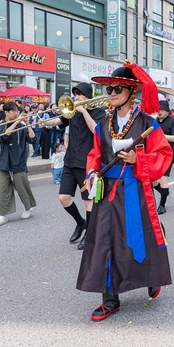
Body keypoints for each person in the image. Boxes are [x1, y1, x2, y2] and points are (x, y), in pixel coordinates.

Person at [78, 62, 172, 321]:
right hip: (106, 191)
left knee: (137, 240)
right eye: (109, 89)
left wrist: (137, 160)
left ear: (132, 93)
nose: (111, 94)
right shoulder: (102, 124)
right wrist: (91, 173)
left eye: (116, 89)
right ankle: (109, 299)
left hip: (134, 189)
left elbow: (164, 155)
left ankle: (153, 277)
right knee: (104, 240)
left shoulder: (148, 124)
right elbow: (94, 155)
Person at [39, 82, 107, 248]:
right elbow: (59, 120)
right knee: (63, 198)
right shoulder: (72, 112)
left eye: (80, 94)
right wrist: (44, 122)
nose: (76, 97)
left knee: (88, 202)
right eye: (75, 94)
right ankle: (81, 222)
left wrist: (84, 112)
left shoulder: (99, 112)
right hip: (70, 161)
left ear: (87, 96)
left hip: (87, 163)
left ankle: (89, 234)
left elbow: (96, 130)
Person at [0, 101, 37, 226]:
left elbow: (32, 139)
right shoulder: (0, 125)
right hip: (5, 161)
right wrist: (17, 122)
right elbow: (4, 136)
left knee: (21, 185)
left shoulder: (21, 126)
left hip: (19, 160)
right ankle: (2, 215)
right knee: (3, 188)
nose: (17, 114)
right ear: (6, 112)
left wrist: (27, 124)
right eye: (15, 111)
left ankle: (28, 207)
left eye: (18, 111)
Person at [153, 100, 174, 215]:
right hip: (154, 153)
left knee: (163, 179)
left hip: (167, 154)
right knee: (153, 180)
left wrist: (160, 136)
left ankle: (162, 205)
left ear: (167, 111)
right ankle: (164, 191)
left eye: (162, 110)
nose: (159, 112)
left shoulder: (173, 122)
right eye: (158, 110)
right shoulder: (154, 121)